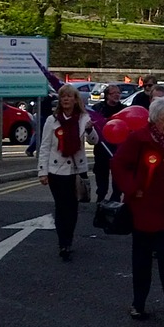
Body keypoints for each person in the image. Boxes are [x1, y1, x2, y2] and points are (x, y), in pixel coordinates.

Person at [110, 97, 164, 327]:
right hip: (143, 210)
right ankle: (139, 304)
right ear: (155, 120)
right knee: (142, 261)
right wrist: (131, 188)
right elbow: (118, 164)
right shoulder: (138, 139)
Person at [37, 84, 97, 261]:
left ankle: (68, 239)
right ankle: (63, 243)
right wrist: (42, 171)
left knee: (72, 208)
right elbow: (45, 147)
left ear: (75, 99)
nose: (66, 99)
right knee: (61, 207)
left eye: (69, 96)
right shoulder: (52, 120)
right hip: (56, 170)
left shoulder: (84, 118)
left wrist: (89, 129)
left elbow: (94, 141)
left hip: (76, 171)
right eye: (63, 96)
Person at [91, 84, 124, 203]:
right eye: (113, 93)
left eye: (118, 93)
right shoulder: (97, 109)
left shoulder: (123, 109)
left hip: (118, 149)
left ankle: (116, 198)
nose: (116, 95)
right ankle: (100, 199)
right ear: (106, 95)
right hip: (102, 148)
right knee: (101, 177)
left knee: (118, 178)